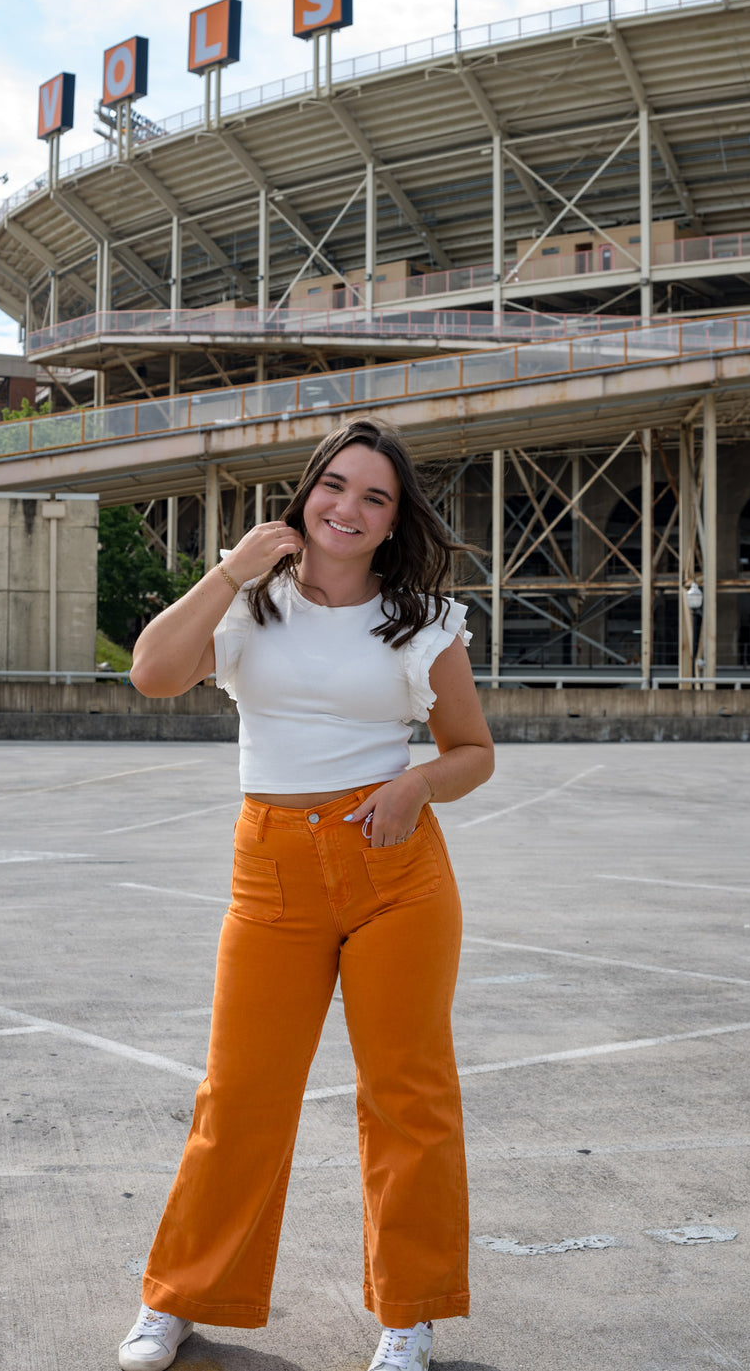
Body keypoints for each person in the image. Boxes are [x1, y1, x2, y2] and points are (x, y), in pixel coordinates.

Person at [120, 417, 494, 1371]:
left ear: (393, 519)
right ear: (306, 493)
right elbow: (153, 673)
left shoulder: (422, 619)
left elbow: (473, 751)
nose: (350, 507)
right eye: (336, 485)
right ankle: (179, 1297)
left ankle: (409, 1313)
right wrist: (228, 571)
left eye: (376, 496)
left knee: (408, 1095)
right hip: (272, 866)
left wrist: (414, 783)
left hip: (394, 870)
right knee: (239, 1093)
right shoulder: (254, 606)